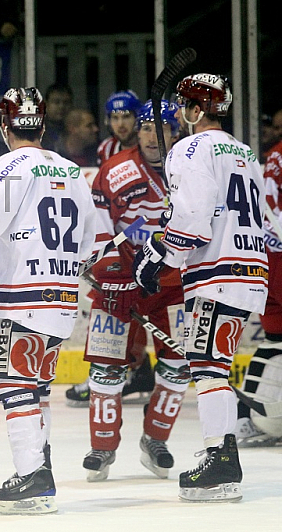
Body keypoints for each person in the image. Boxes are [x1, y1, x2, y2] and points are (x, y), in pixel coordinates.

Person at [0, 87, 99, 515]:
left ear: (4, 125)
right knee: (38, 388)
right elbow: (89, 245)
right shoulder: (72, 171)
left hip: (22, 298)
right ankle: (41, 465)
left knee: (15, 387)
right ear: (43, 124)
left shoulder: (5, 167)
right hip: (62, 299)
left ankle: (33, 477)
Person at [133, 73, 268, 502]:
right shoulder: (246, 152)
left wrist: (158, 257)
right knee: (216, 366)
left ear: (193, 110)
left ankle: (221, 460)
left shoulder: (189, 148)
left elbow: (192, 217)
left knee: (208, 368)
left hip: (217, 274)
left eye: (182, 107)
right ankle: (222, 454)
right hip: (251, 270)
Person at [80, 99, 189, 482]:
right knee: (107, 366)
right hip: (119, 285)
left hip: (172, 287)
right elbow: (96, 229)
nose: (153, 137)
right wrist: (108, 271)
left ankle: (155, 440)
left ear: (177, 132)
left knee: (178, 367)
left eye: (162, 129)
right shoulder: (115, 170)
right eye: (146, 128)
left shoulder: (192, 170)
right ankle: (103, 446)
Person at [233, 119, 282, 447]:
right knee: (277, 334)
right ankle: (244, 416)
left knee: (276, 336)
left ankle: (243, 415)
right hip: (276, 256)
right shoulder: (278, 157)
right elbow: (271, 210)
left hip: (272, 254)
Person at [97, 89, 142, 165]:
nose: (120, 124)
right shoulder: (107, 148)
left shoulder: (150, 146)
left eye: (126, 117)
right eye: (115, 118)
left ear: (137, 118)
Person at [40, 83, 73, 152]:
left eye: (66, 102)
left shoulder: (74, 131)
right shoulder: (38, 132)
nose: (61, 107)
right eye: (56, 102)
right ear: (46, 104)